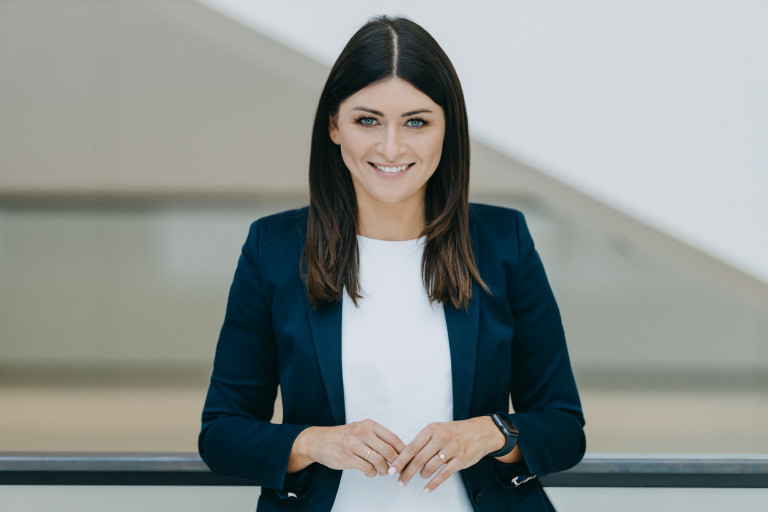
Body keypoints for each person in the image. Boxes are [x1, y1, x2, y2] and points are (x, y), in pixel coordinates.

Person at [199, 15, 585, 512]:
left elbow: (563, 427)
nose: (391, 148)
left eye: (417, 122)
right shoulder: (274, 249)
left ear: (447, 130)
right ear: (334, 126)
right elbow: (223, 433)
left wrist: (491, 433)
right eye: (368, 120)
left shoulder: (501, 242)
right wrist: (314, 442)